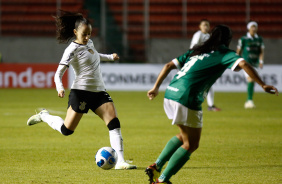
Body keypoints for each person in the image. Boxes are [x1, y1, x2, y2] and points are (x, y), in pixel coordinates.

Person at [145, 25, 278, 184]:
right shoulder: (224, 53)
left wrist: (155, 87)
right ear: (228, 40)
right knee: (191, 144)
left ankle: (156, 166)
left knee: (184, 136)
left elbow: (168, 65)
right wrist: (262, 85)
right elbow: (243, 65)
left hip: (170, 93)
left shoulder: (196, 51)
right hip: (187, 97)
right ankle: (161, 180)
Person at [26, 11, 136, 170]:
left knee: (114, 123)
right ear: (75, 32)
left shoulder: (89, 44)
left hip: (99, 92)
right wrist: (60, 87)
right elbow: (58, 73)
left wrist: (110, 57)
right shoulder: (71, 49)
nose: (87, 37)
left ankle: (120, 162)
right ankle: (44, 116)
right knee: (66, 130)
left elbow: (95, 55)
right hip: (81, 92)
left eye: (90, 34)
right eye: (84, 34)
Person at [190, 19, 221, 111]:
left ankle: (210, 106)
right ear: (200, 26)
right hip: (196, 61)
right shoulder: (198, 35)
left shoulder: (209, 36)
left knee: (208, 84)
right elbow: (194, 48)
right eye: (204, 25)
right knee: (196, 84)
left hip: (205, 62)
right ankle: (189, 102)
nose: (206, 27)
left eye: (207, 25)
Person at [237, 21, 265, 109]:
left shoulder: (259, 39)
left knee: (252, 81)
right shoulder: (243, 39)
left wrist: (261, 61)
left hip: (255, 63)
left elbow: (261, 51)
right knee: (251, 79)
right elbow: (239, 51)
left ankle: (249, 100)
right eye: (252, 27)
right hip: (246, 63)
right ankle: (249, 101)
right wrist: (237, 60)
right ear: (248, 28)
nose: (253, 28)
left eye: (255, 27)